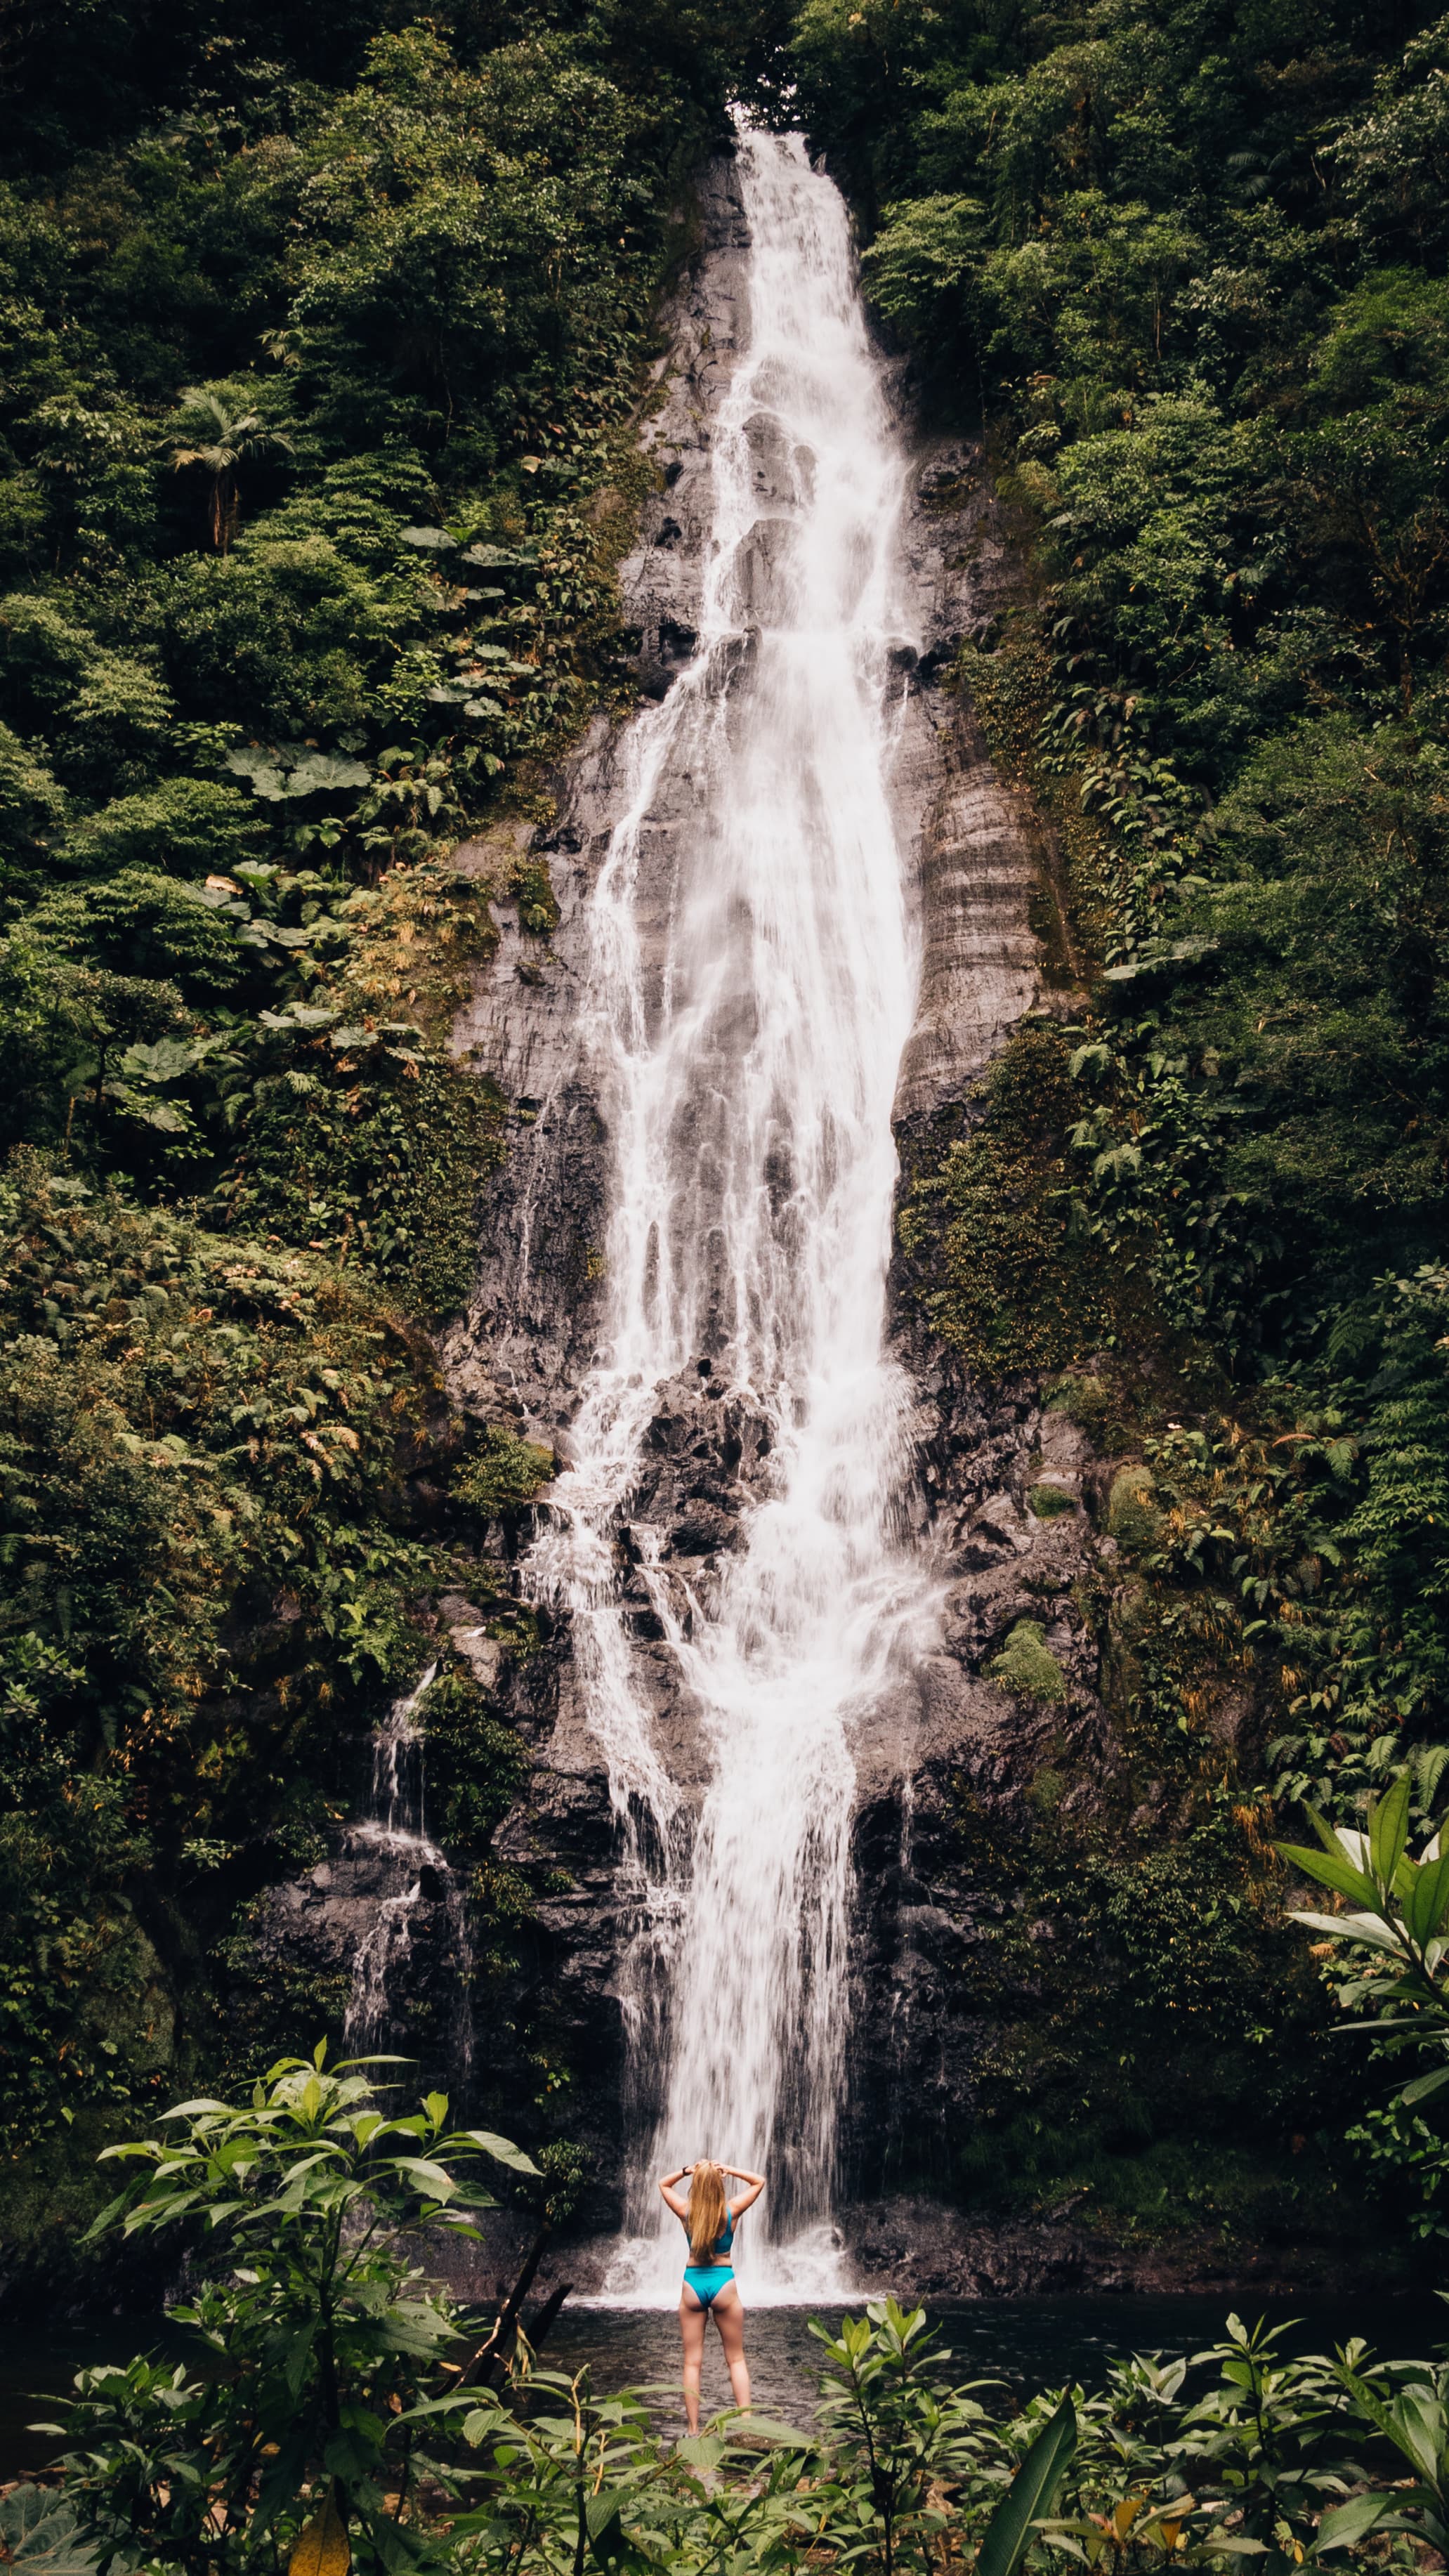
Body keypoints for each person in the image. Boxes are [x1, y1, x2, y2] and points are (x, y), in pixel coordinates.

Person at [657, 2155, 766, 2433]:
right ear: (719, 2185)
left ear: (696, 2185)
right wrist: (728, 2169)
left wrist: (685, 2171)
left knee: (692, 2362)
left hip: (693, 2284)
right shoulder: (731, 2211)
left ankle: (693, 2430)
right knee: (737, 2359)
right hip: (723, 2284)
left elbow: (663, 2185)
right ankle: (746, 2426)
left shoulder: (686, 2212)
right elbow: (759, 2181)